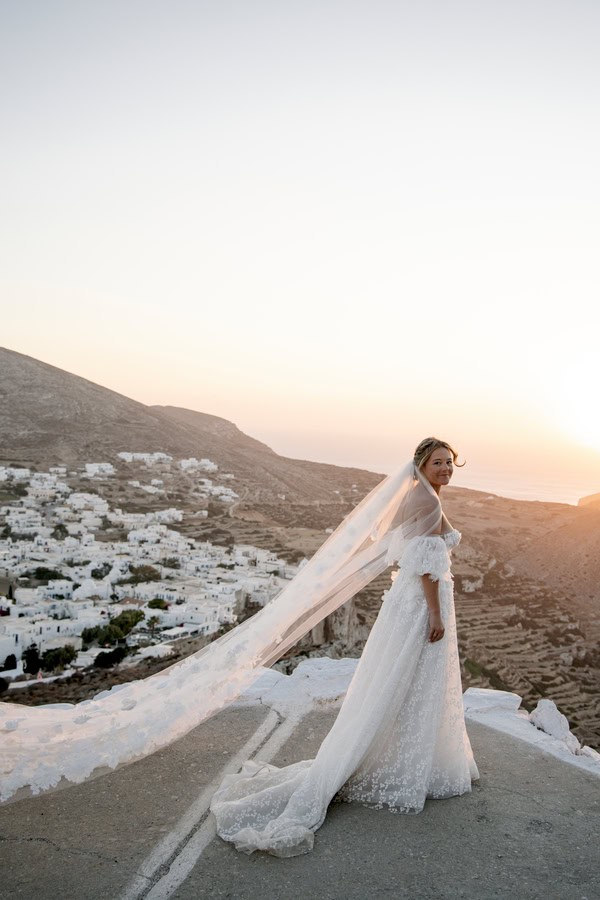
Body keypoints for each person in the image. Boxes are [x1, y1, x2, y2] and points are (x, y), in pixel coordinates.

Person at [210, 437, 480, 857]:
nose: (446, 468)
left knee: (406, 681)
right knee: (415, 680)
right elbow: (427, 566)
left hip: (406, 602)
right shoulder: (426, 502)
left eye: (450, 462)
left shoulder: (418, 496)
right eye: (438, 462)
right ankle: (403, 762)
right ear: (421, 465)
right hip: (420, 606)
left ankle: (405, 756)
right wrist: (435, 615)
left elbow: (408, 553)